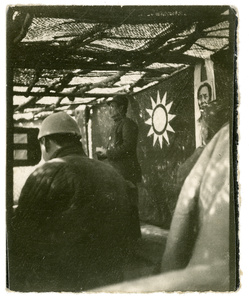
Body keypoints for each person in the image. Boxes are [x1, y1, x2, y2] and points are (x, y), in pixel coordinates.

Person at [93, 123, 231, 292]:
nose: (113, 110)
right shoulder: (223, 139)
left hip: (208, 262)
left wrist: (108, 153)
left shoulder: (220, 142)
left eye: (115, 106)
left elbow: (183, 209)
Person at [8, 112, 133, 292]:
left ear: (46, 142)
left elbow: (21, 234)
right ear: (77, 141)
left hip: (64, 283)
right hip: (113, 281)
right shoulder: (111, 172)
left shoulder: (48, 172)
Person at [96, 95, 142, 239]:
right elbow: (117, 147)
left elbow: (128, 147)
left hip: (126, 172)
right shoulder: (116, 125)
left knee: (129, 205)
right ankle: (125, 237)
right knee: (121, 204)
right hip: (119, 172)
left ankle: (133, 239)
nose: (110, 110)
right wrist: (104, 153)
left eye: (113, 106)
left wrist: (107, 152)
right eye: (109, 106)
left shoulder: (128, 124)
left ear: (122, 108)